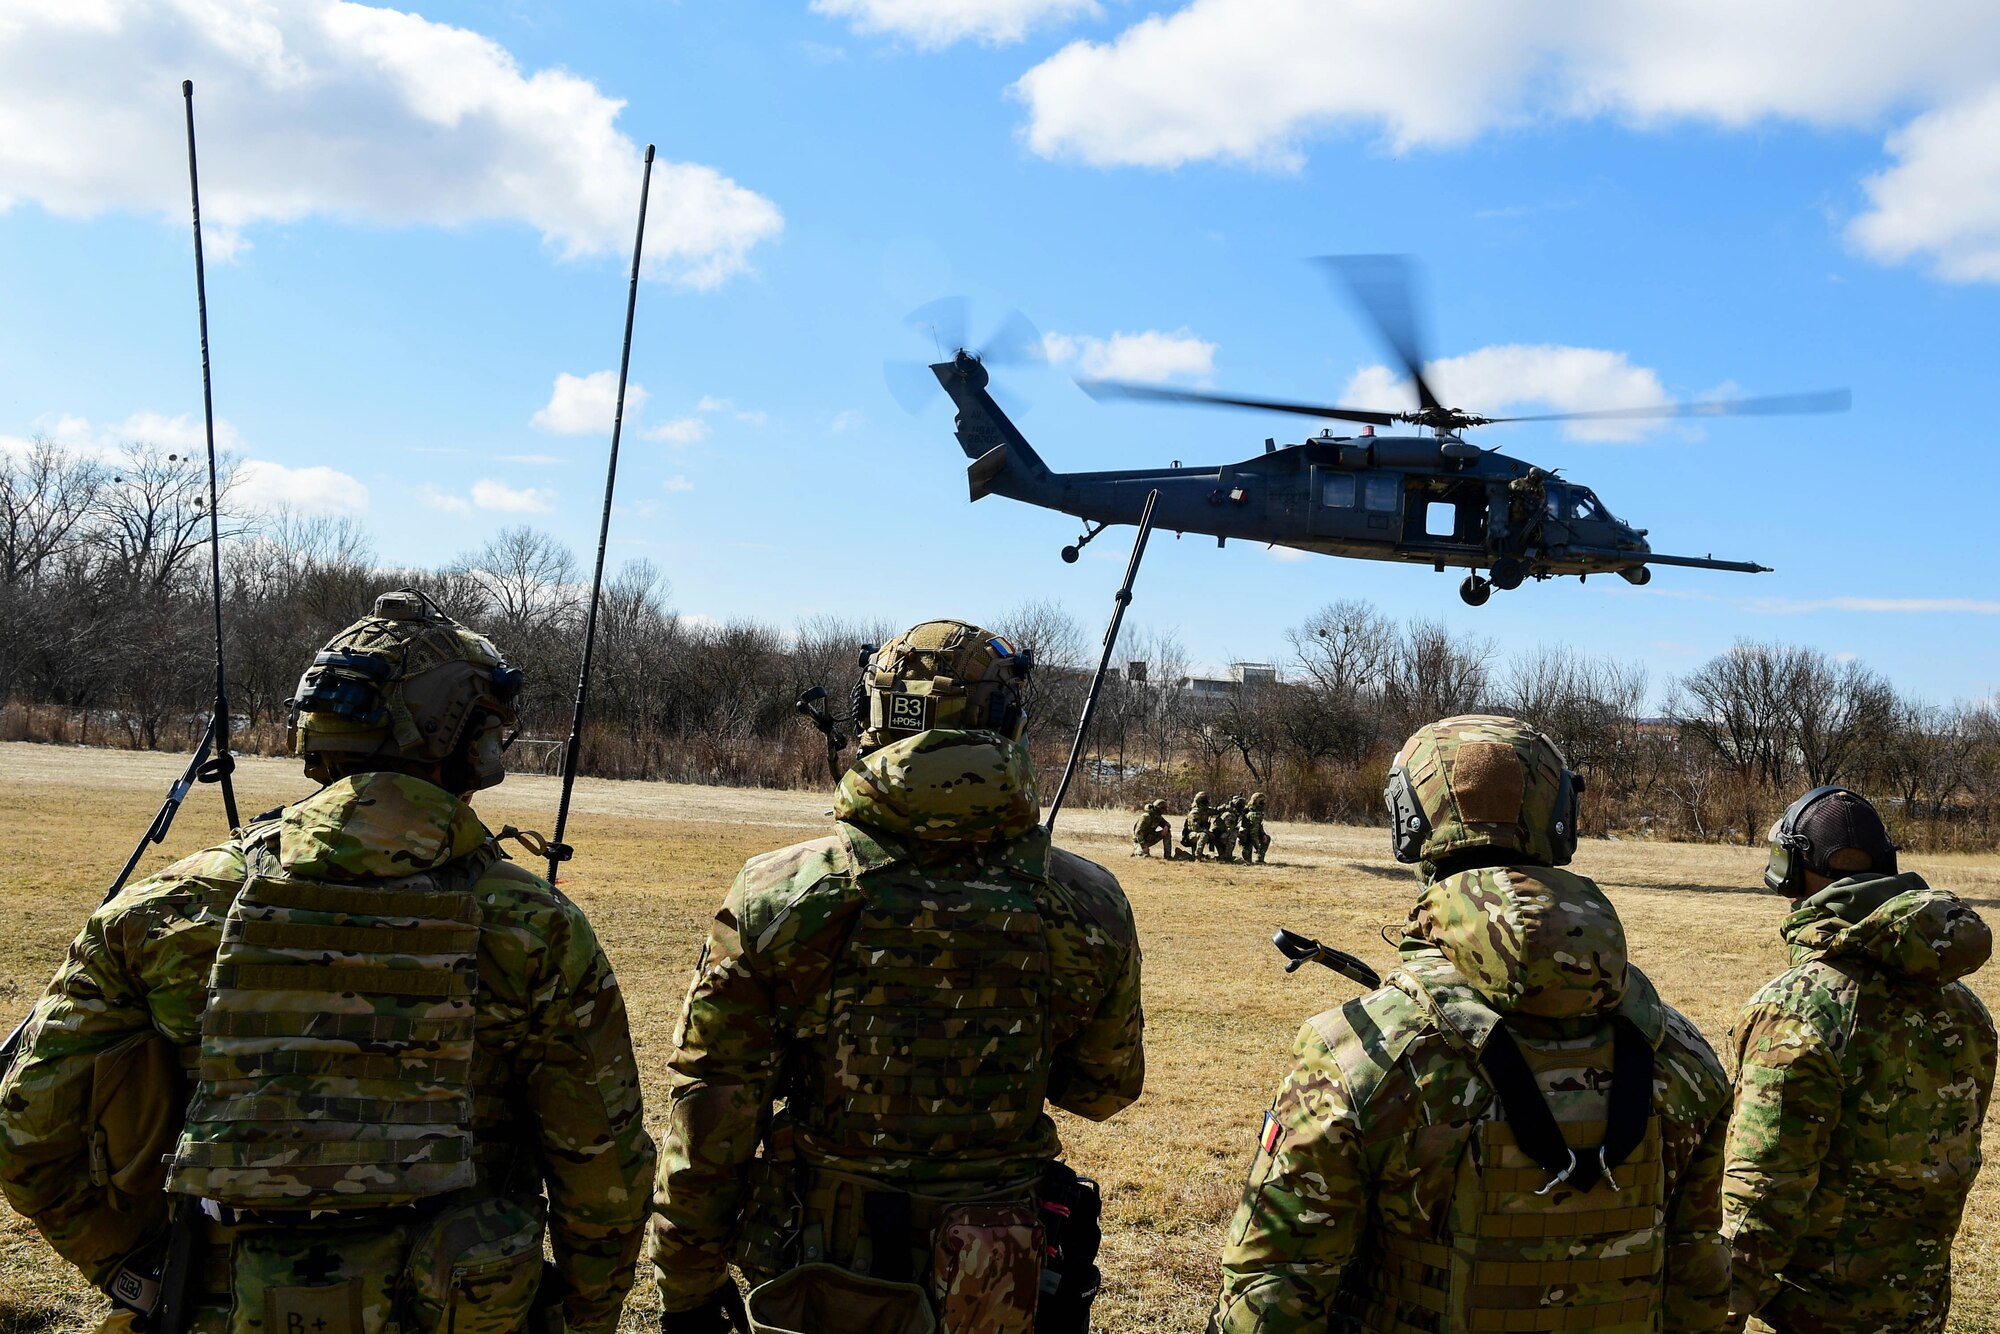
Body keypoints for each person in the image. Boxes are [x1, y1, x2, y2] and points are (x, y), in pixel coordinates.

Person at [0, 590, 655, 1334]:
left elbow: (27, 1133)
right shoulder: (535, 926)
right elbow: (604, 1171)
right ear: (466, 738)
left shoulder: (161, 910)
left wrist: (136, 1272)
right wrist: (582, 1316)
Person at [650, 619, 1145, 1334]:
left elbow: (712, 1115)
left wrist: (688, 1287)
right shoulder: (1088, 898)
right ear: (1007, 722)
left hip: (822, 1272)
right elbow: (1103, 1089)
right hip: (1002, 1274)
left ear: (875, 720)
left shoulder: (780, 891)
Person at [1210, 714, 1733, 1333]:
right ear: (1561, 821)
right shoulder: (1680, 1052)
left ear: (1410, 824)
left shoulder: (1359, 1056)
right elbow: (1698, 1286)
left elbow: (1272, 1298)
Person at [1724, 785, 1996, 1333]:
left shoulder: (1797, 1009)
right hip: (1918, 1307)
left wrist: (1715, 1312)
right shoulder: (1967, 1007)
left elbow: (1761, 1200)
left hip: (1812, 1316)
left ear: (1797, 873)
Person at [1181, 791, 1215, 861]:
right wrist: (1208, 833)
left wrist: (1225, 807)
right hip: (1190, 835)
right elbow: (1196, 828)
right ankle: (1197, 858)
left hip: (1197, 834)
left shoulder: (1205, 810)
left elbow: (1216, 810)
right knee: (1203, 835)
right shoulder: (1195, 812)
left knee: (1214, 834)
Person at [1239, 792, 1270, 865]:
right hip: (1247, 837)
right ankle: (1247, 859)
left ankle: (1259, 860)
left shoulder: (1254, 810)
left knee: (1266, 838)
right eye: (1262, 801)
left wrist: (1263, 834)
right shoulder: (1254, 814)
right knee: (1248, 858)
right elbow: (1253, 834)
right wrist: (1257, 847)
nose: (1264, 803)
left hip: (1249, 835)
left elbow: (1258, 827)